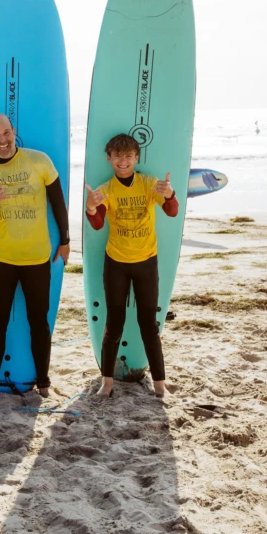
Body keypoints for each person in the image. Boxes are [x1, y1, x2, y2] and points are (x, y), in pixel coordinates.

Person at [0, 113, 70, 402]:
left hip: (37, 257)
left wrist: (65, 240)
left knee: (39, 321)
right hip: (1, 258)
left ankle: (45, 382)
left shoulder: (39, 161)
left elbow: (58, 202)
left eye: (6, 133)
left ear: (14, 131)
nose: (2, 140)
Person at [85, 133, 178, 399]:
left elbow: (172, 211)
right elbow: (98, 223)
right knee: (114, 324)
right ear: (109, 159)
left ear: (136, 158)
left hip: (146, 262)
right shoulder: (107, 190)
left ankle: (160, 384)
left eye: (128, 156)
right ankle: (107, 381)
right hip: (116, 264)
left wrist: (170, 195)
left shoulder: (150, 184)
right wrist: (91, 208)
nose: (123, 161)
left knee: (148, 324)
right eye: (118, 156)